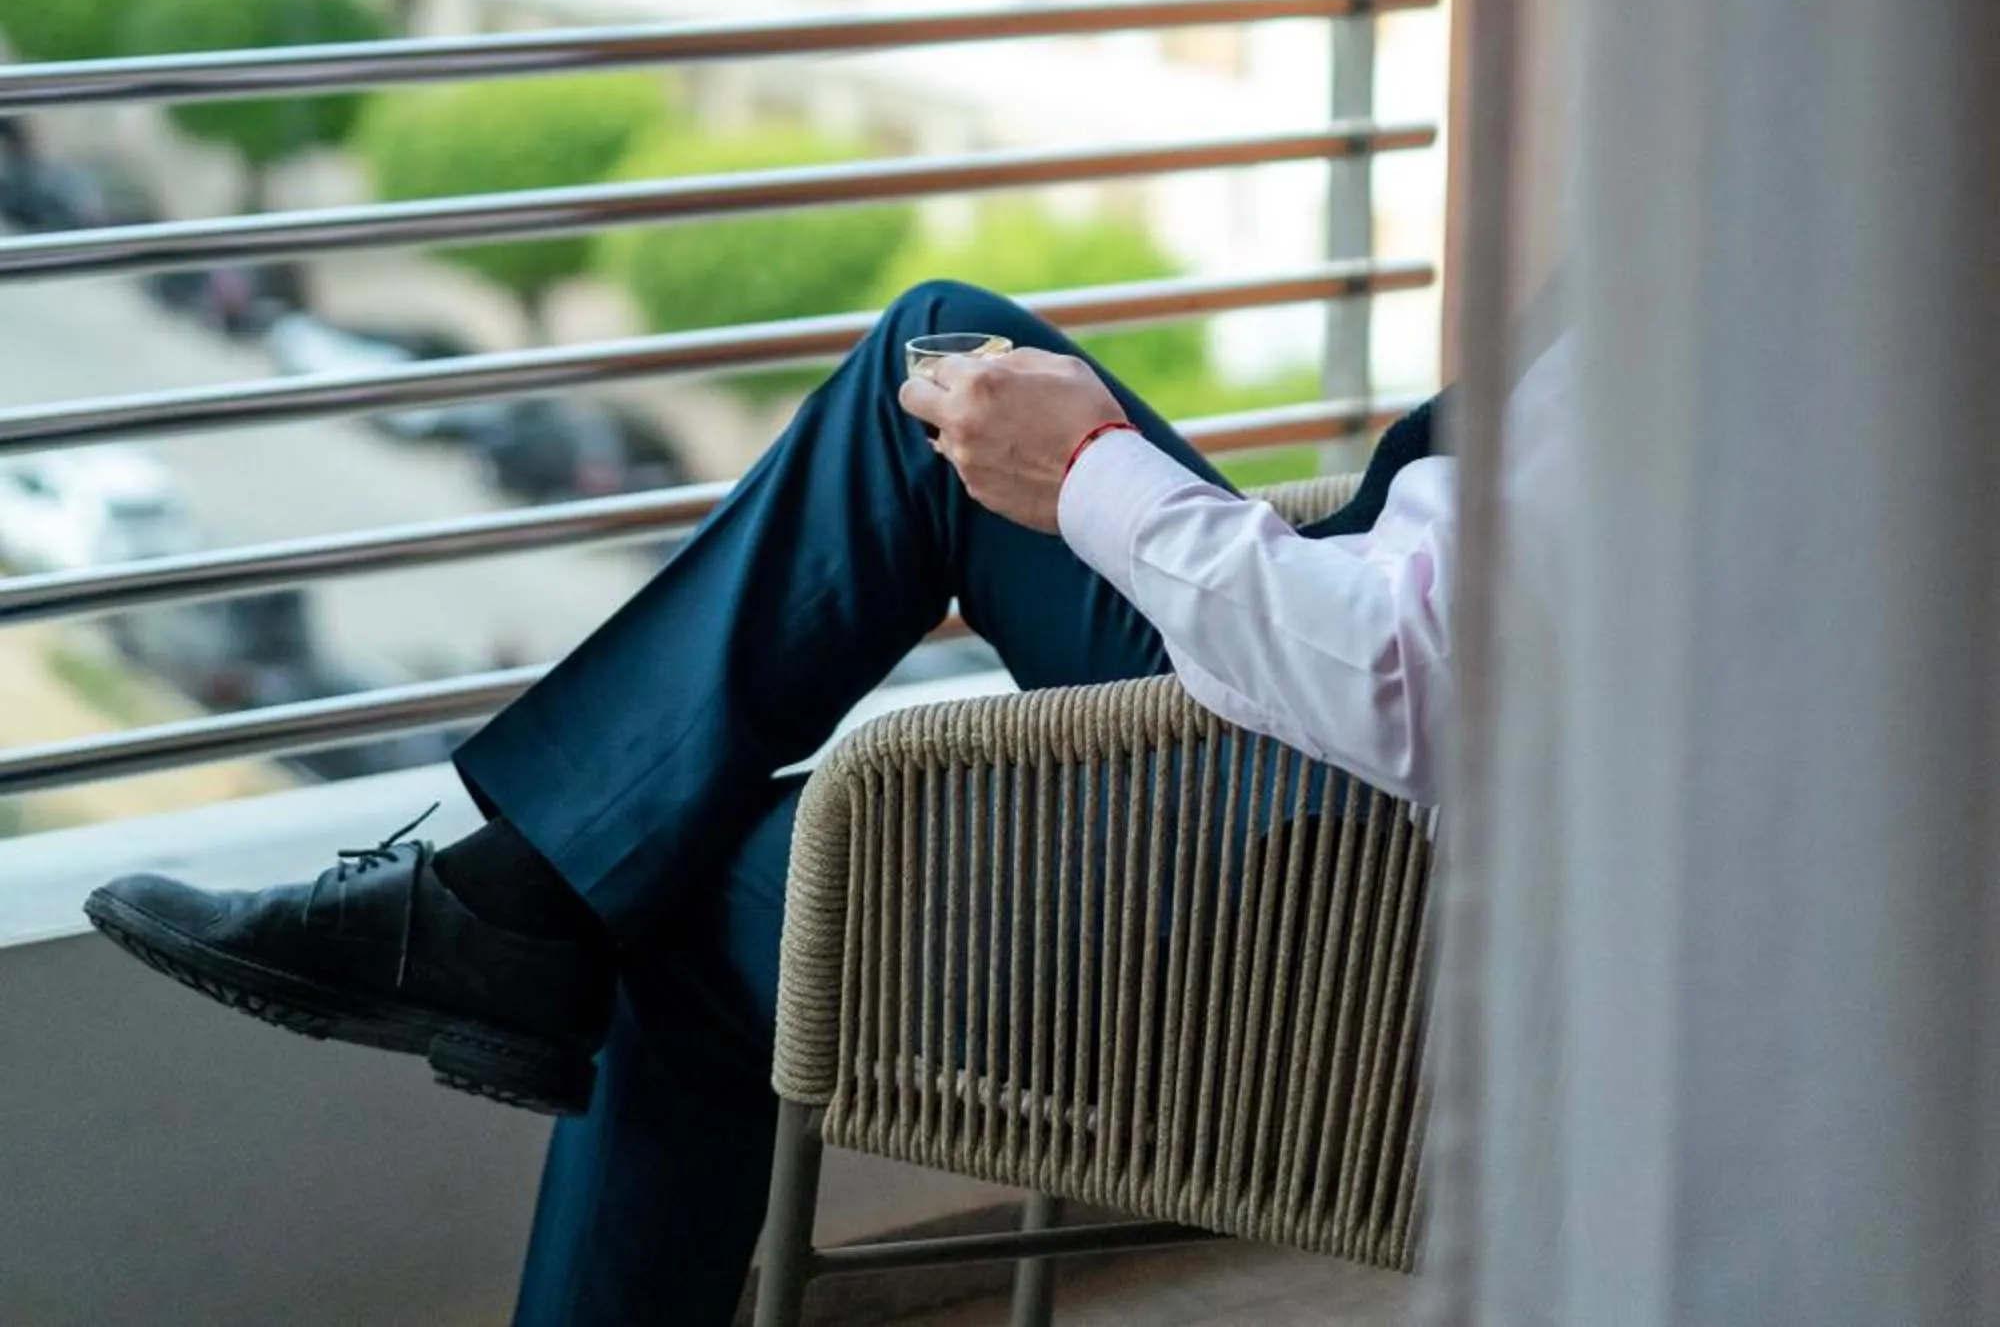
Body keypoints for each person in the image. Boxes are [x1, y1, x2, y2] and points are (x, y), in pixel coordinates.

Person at [85, 279, 1455, 1327]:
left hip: (1339, 835)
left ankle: (520, 908)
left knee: (671, 886)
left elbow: (1412, 680)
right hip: (1325, 695)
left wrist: (1092, 472)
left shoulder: (1669, 297)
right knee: (941, 347)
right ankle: (523, 896)